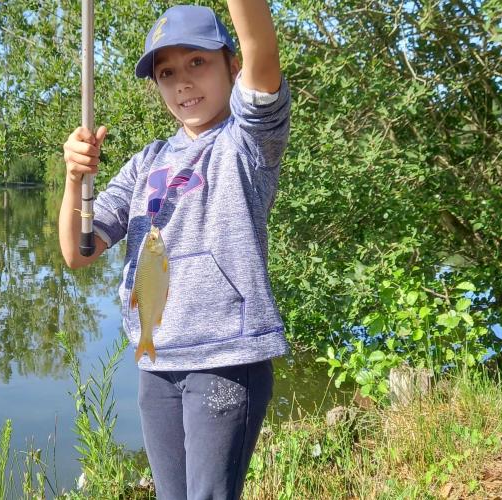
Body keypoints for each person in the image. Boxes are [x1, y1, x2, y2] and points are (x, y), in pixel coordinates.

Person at [59, 1, 290, 498]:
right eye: (167, 72)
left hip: (226, 355)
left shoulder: (247, 140)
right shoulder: (147, 162)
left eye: (198, 62)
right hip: (157, 359)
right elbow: (78, 252)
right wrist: (74, 178)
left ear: (232, 67)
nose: (183, 82)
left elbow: (261, 49)